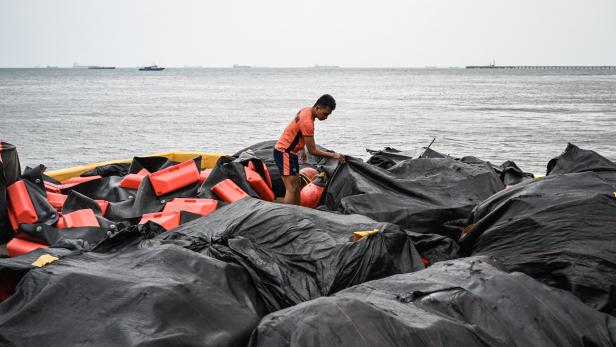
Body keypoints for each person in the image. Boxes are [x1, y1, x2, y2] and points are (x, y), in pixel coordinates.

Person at [273, 94, 345, 205]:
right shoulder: (308, 123)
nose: (325, 117)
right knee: (291, 188)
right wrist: (333, 155)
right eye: (325, 114)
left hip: (290, 152)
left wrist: (301, 148)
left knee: (296, 186)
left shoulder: (306, 110)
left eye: (328, 115)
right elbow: (313, 151)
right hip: (284, 152)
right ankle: (288, 215)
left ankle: (298, 210)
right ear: (317, 108)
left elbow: (297, 130)